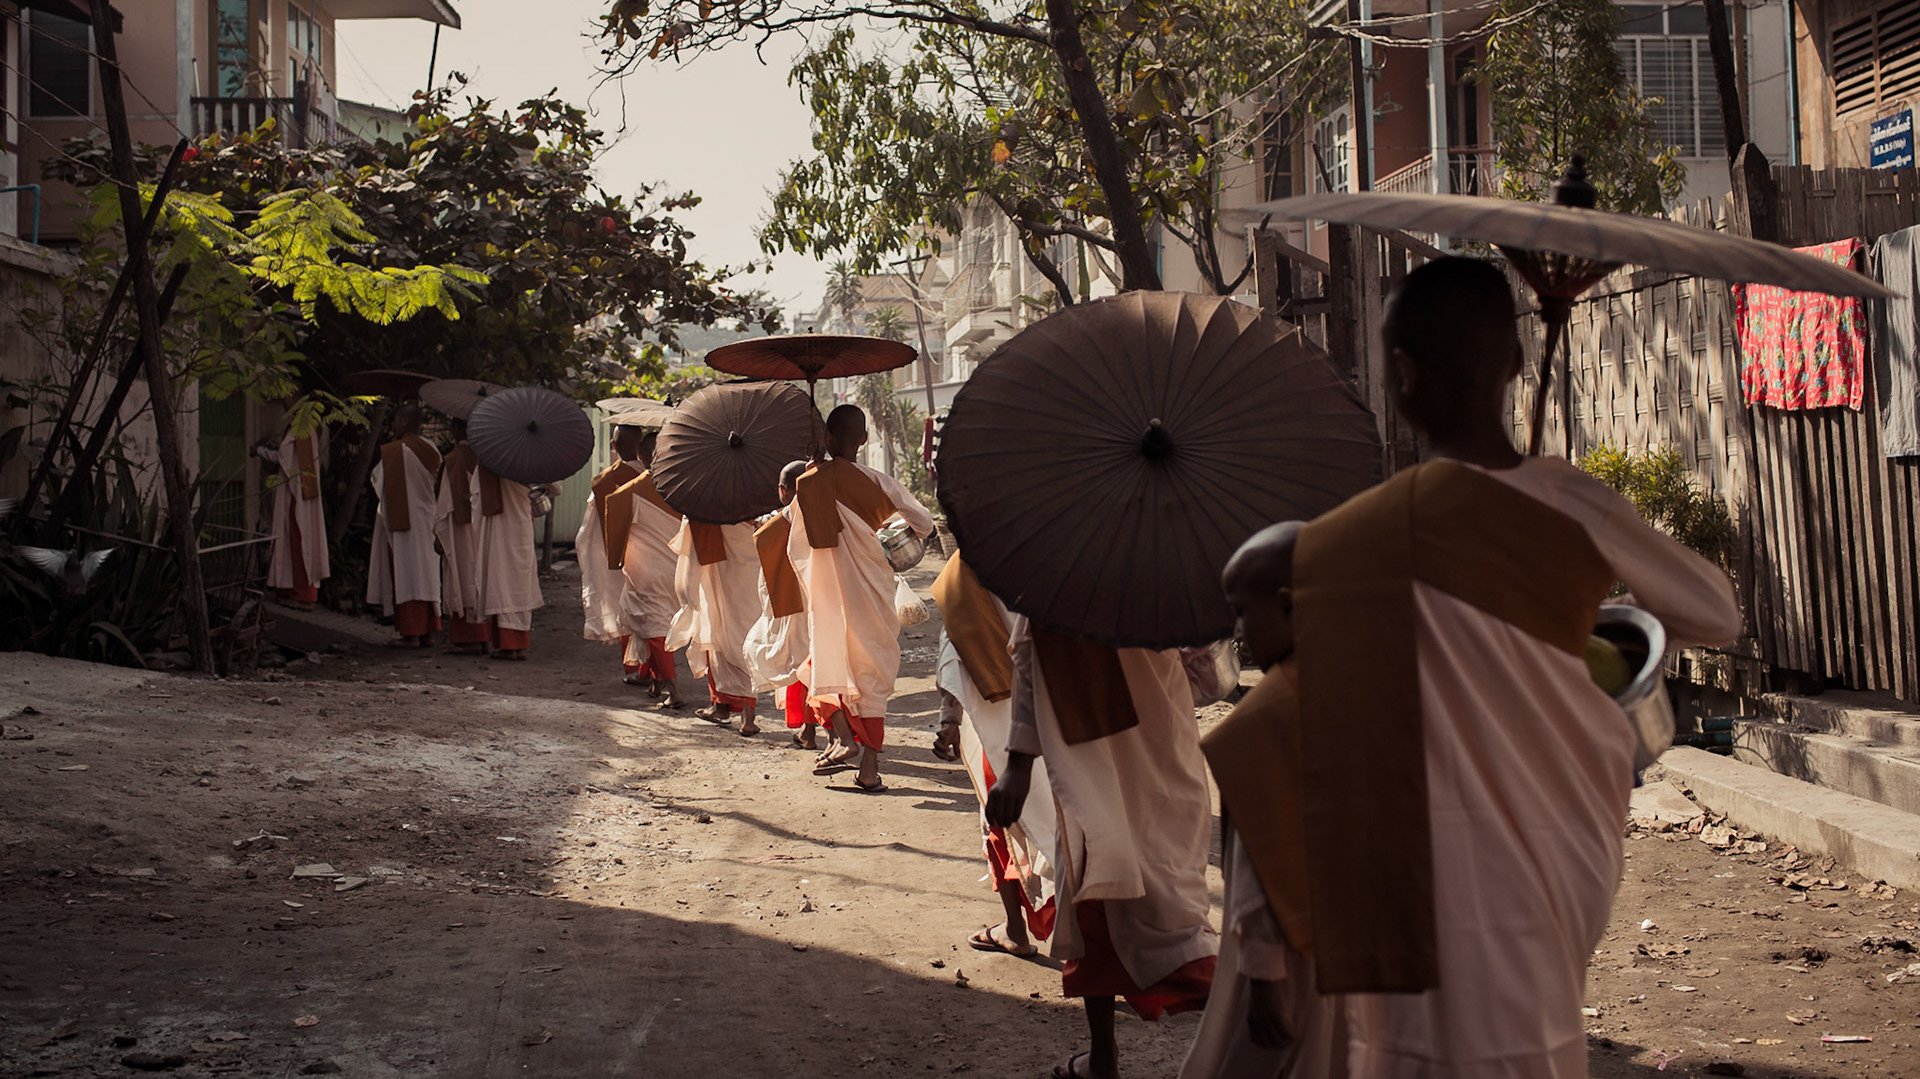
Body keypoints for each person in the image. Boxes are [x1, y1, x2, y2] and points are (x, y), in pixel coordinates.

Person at [1189, 257, 1742, 1078]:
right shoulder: (1572, 506)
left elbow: (1300, 747)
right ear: (1517, 364)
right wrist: (1557, 592)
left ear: (1402, 379)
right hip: (1546, 878)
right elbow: (1716, 614)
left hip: (1404, 900)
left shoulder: (1343, 547)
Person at [985, 616, 1218, 1079]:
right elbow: (1207, 677)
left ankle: (1251, 1015)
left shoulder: (1058, 573)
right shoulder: (1163, 572)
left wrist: (1017, 767)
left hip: (1116, 764)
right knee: (1105, 898)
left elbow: (1029, 661)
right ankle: (1104, 1056)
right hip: (1135, 759)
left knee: (1158, 906)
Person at [788, 405, 934, 792]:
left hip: (831, 593)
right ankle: (869, 769)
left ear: (828, 439)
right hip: (874, 589)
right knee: (873, 674)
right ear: (864, 440)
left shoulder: (808, 482)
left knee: (822, 663)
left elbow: (793, 543)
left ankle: (843, 738)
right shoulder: (880, 483)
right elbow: (925, 524)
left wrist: (814, 474)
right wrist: (885, 530)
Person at [933, 554, 1057, 961]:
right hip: (1075, 719)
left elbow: (955, 649)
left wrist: (949, 718)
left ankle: (1016, 929)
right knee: (1072, 826)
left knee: (1001, 819)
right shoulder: (1071, 550)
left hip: (1005, 721)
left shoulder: (967, 565)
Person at [745, 460, 816, 749]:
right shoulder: (827, 517)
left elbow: (766, 584)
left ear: (783, 491)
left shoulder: (769, 531)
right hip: (822, 605)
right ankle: (814, 730)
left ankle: (809, 731)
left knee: (792, 659)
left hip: (791, 607)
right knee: (816, 663)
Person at [613, 432, 686, 707]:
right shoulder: (684, 488)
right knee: (641, 619)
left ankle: (675, 690)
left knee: (654, 627)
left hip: (647, 573)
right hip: (678, 567)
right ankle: (655, 682)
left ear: (641, 457)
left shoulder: (628, 492)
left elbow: (615, 537)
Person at [675, 516, 763, 735]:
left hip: (723, 576)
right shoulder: (757, 504)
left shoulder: (706, 510)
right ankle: (732, 711)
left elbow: (691, 549)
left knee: (718, 637)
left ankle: (727, 710)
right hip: (752, 574)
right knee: (746, 640)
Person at [365, 403, 442, 648]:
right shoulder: (431, 449)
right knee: (426, 576)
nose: (394, 424)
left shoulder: (394, 451)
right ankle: (428, 632)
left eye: (397, 420)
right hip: (426, 518)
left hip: (404, 521)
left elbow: (378, 481)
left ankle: (410, 633)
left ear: (406, 422)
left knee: (407, 575)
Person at [578, 422, 649, 678]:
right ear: (641, 447)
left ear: (613, 445)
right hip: (652, 558)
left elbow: (590, 532)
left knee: (624, 612)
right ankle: (651, 670)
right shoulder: (655, 479)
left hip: (617, 556)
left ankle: (631, 668)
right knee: (652, 612)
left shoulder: (604, 481)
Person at [471, 463, 545, 661]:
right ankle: (518, 645)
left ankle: (508, 646)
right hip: (521, 526)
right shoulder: (529, 461)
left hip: (497, 529)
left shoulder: (487, 463)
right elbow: (555, 488)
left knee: (501, 584)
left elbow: (475, 497)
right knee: (519, 586)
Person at [256, 411, 328, 611]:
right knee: (297, 540)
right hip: (301, 490)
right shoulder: (312, 425)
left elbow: (284, 457)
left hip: (295, 491)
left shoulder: (302, 424)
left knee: (297, 540)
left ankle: (301, 594)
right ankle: (291, 590)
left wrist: (260, 450)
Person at [433, 420, 491, 655]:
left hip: (458, 526)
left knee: (460, 576)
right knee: (479, 579)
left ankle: (467, 639)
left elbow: (445, 502)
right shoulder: (486, 456)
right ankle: (483, 635)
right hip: (482, 525)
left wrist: (439, 532)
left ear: (458, 431)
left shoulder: (454, 459)